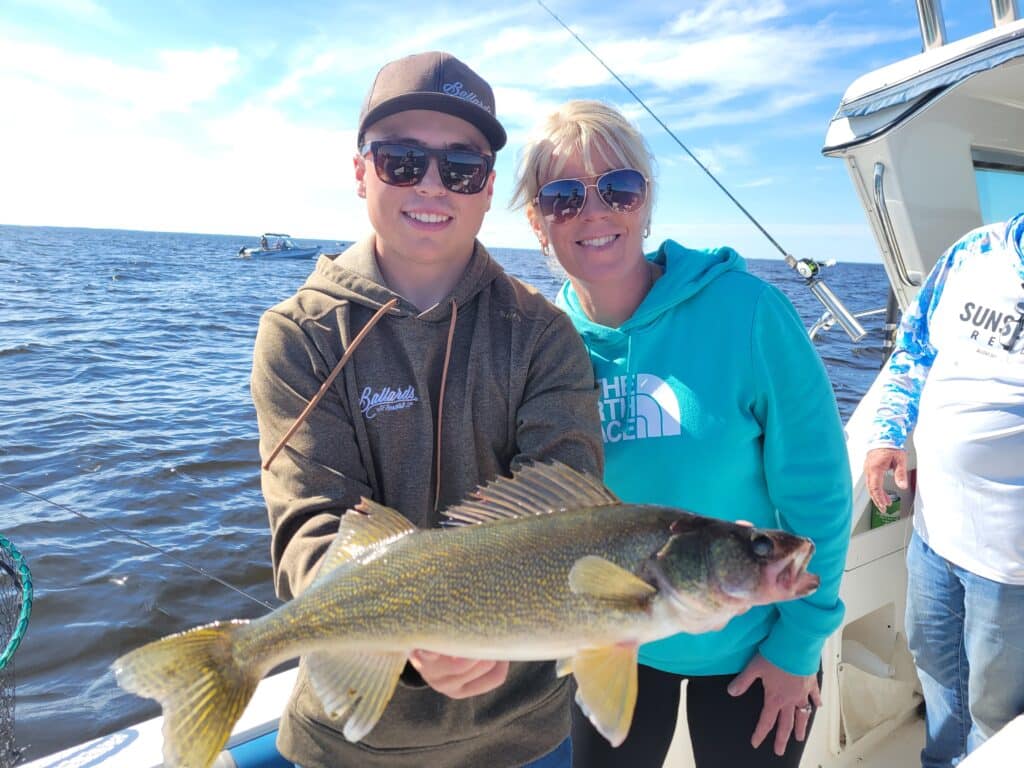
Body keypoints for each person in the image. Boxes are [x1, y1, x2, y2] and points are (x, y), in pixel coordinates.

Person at [250, 52, 603, 768]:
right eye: (403, 161)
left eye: (461, 167)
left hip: (526, 733)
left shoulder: (542, 334)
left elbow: (566, 525)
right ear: (361, 173)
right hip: (352, 740)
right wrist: (414, 639)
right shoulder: (299, 334)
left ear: (486, 187)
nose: (432, 186)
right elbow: (310, 528)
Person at [511, 99, 852, 768]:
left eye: (619, 187)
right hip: (606, 649)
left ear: (646, 201)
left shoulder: (749, 312)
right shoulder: (536, 344)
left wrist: (797, 648)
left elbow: (819, 494)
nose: (595, 211)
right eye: (562, 196)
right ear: (536, 222)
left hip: (751, 650)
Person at [864, 213, 1024, 768]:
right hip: (934, 531)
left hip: (1011, 566)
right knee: (934, 664)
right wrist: (886, 435)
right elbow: (913, 349)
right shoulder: (976, 251)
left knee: (995, 710)